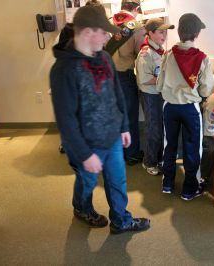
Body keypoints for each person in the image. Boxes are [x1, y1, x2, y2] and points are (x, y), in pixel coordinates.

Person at [50, 5, 150, 233]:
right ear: (87, 32)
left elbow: (116, 94)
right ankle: (82, 208)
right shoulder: (63, 69)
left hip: (112, 136)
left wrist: (124, 126)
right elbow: (65, 120)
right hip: (85, 144)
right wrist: (85, 154)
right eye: (104, 32)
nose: (108, 37)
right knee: (88, 183)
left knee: (118, 182)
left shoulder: (104, 58)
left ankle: (121, 220)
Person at [156, 13, 214, 201]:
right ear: (197, 33)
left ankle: (167, 183)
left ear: (179, 31)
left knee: (169, 145)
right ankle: (189, 189)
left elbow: (159, 84)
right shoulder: (203, 59)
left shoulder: (168, 55)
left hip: (170, 107)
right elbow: (206, 89)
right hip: (190, 109)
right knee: (192, 148)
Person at [105, 0, 146, 165]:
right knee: (129, 116)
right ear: (136, 9)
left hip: (105, 76)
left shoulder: (106, 22)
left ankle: (112, 154)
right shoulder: (136, 27)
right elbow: (141, 55)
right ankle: (131, 154)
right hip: (124, 78)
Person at [135, 18, 175, 176]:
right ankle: (149, 162)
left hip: (159, 94)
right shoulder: (146, 53)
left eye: (165, 32)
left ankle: (157, 158)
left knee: (160, 128)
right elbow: (144, 79)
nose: (164, 35)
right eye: (160, 32)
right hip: (150, 95)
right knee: (153, 130)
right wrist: (165, 79)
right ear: (150, 33)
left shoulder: (159, 49)